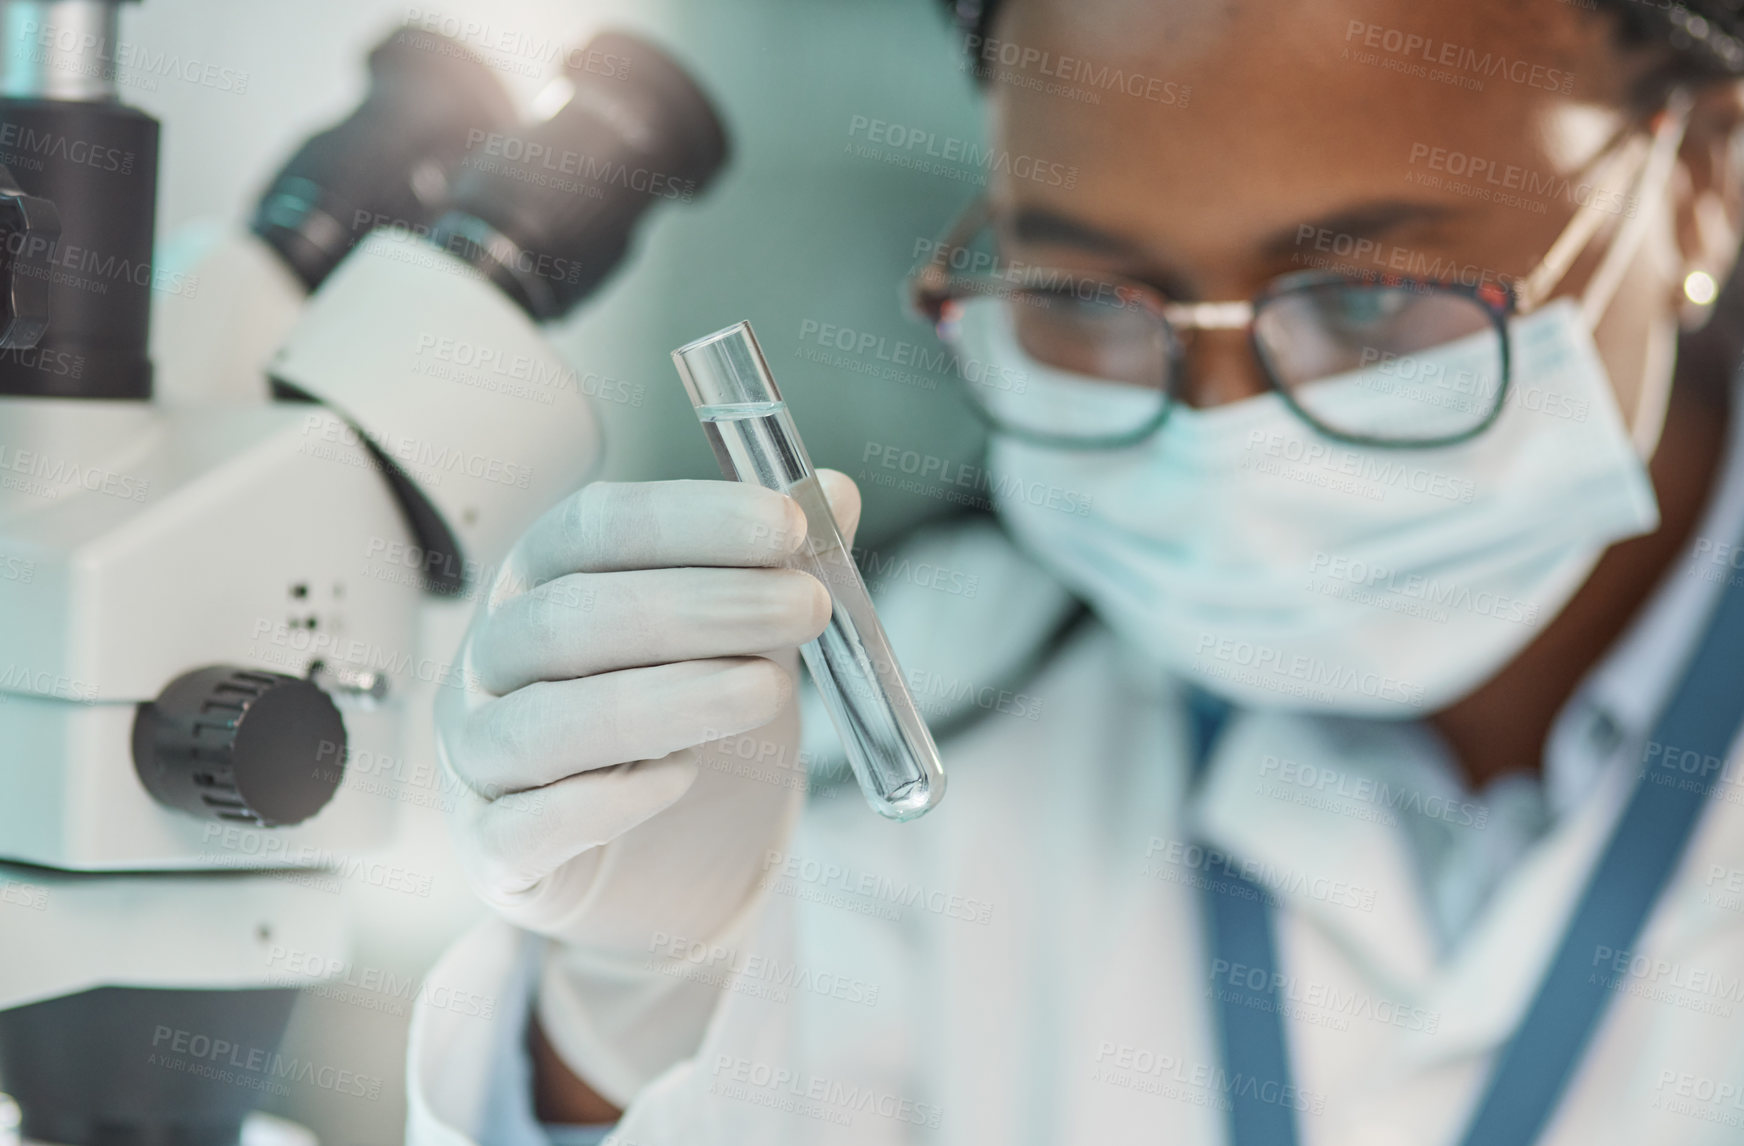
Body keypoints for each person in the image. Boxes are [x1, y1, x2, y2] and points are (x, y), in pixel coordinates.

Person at [408, 0, 1744, 1142]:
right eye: (1092, 299)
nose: (1221, 431)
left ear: (1709, 184)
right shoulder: (884, 722)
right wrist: (611, 1022)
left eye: (1366, 296)